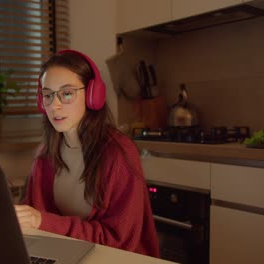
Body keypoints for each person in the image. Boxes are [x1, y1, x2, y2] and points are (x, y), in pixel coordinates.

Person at [15, 49, 159, 257]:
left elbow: (118, 240)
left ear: (93, 96)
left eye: (66, 93)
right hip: (66, 255)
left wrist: (42, 221)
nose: (54, 105)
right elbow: (32, 218)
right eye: (47, 95)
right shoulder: (45, 154)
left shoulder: (119, 154)